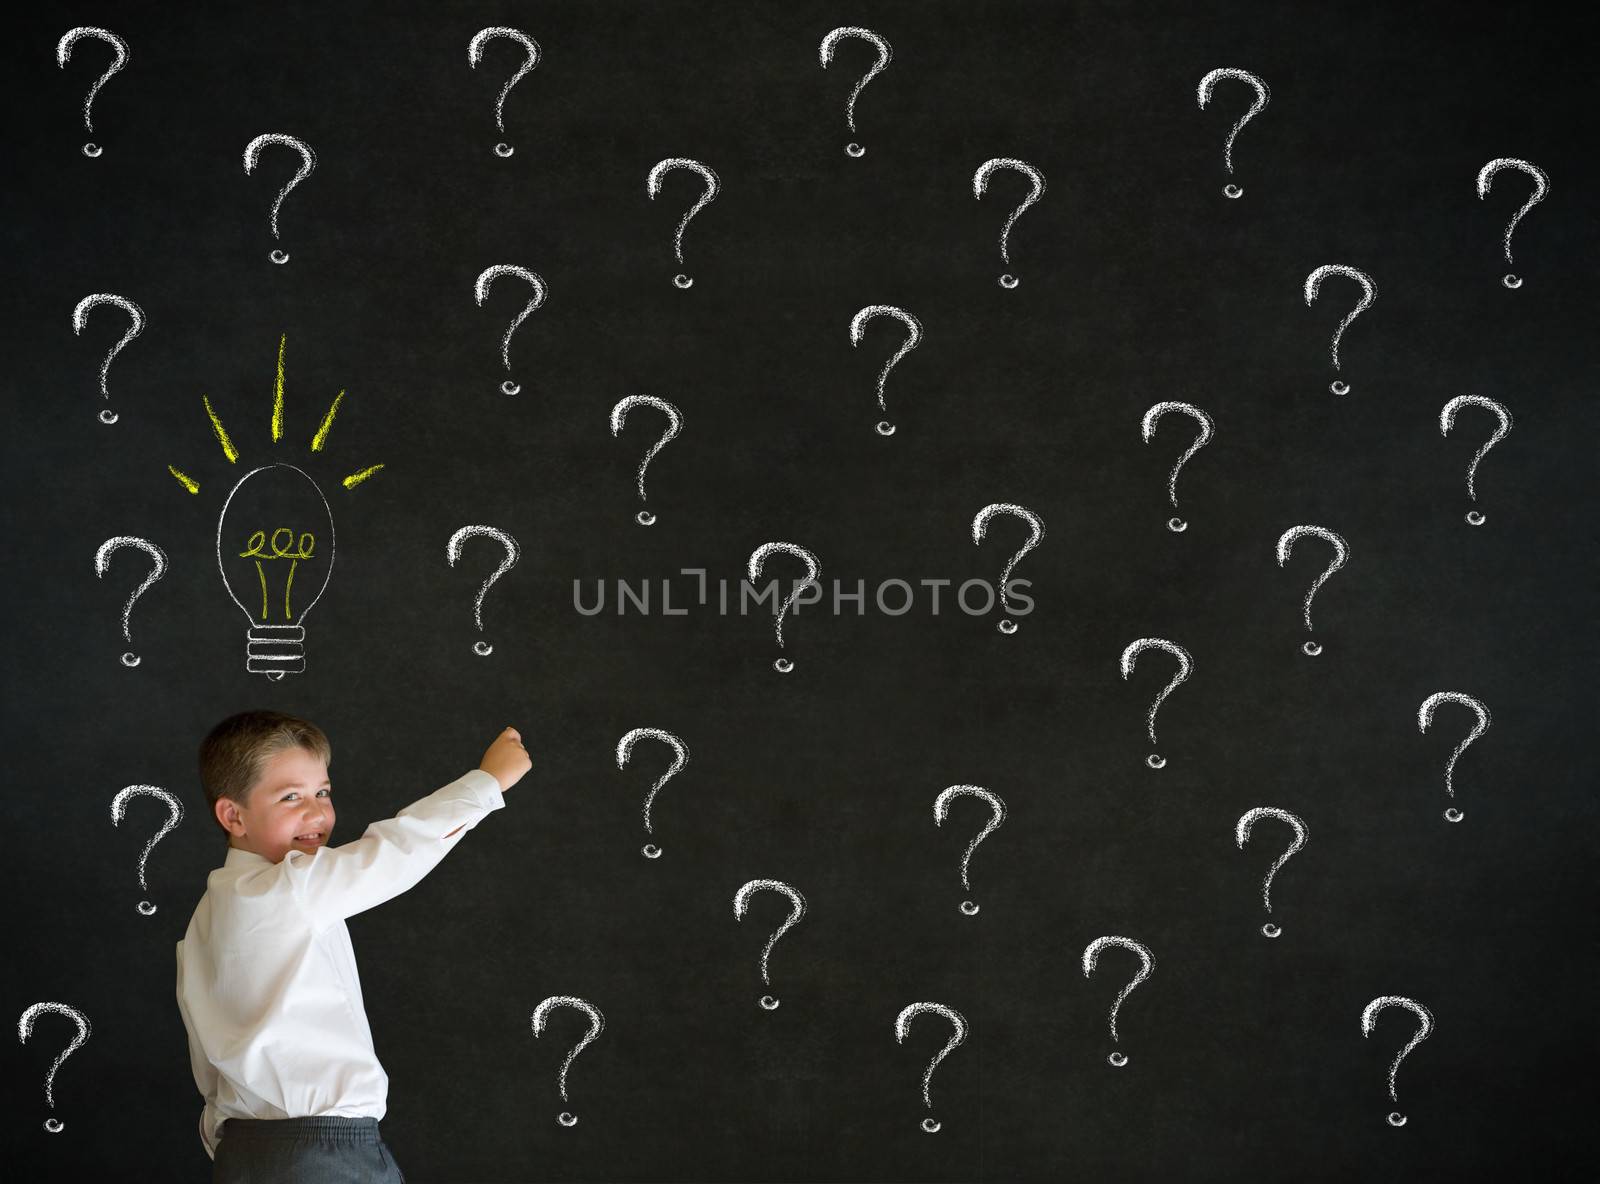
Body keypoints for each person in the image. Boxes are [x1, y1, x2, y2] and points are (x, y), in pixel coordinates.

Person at [175, 710, 531, 1182]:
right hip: (320, 1152)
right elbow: (395, 852)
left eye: (323, 792)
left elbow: (209, 1062)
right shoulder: (290, 888)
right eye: (290, 797)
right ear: (233, 815)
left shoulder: (205, 920)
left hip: (247, 1151)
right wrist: (488, 782)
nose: (316, 813)